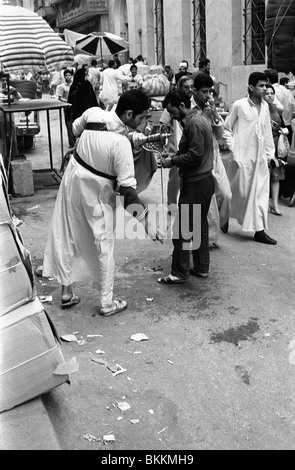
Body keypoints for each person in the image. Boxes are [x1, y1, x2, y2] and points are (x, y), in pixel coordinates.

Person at [43, 89, 164, 316]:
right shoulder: (121, 145)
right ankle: (107, 303)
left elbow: (75, 129)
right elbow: (128, 192)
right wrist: (146, 220)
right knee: (104, 244)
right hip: (98, 194)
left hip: (73, 181)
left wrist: (92, 147)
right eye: (142, 117)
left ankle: (67, 292)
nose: (145, 122)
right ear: (128, 115)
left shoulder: (92, 113)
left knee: (67, 233)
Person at [158, 89, 215, 284]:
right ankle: (201, 267)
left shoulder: (195, 123)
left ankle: (179, 272)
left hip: (197, 183)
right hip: (201, 182)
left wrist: (172, 161)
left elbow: (195, 155)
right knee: (199, 226)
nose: (172, 116)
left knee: (182, 229)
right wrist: (173, 158)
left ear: (182, 106)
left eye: (173, 111)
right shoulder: (194, 121)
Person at [223, 72, 277, 245]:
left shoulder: (266, 107)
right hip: (242, 159)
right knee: (240, 193)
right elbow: (226, 128)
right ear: (251, 87)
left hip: (260, 158)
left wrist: (271, 155)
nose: (264, 89)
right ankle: (224, 216)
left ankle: (259, 231)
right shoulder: (239, 105)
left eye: (265, 85)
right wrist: (234, 149)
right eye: (261, 86)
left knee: (260, 194)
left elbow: (267, 132)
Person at [264, 83, 287, 216]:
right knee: (266, 176)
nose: (270, 95)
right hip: (265, 147)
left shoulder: (276, 109)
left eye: (272, 93)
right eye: (267, 93)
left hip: (276, 144)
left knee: (276, 176)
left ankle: (275, 205)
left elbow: (280, 124)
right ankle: (266, 204)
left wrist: (282, 130)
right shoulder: (260, 108)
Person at [264, 68, 295, 145]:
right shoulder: (286, 90)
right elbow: (293, 106)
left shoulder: (269, 93)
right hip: (288, 127)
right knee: (284, 154)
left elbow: (280, 108)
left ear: (267, 80)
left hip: (277, 129)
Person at [56, 69, 75, 148]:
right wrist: (67, 101)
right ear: (64, 77)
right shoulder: (61, 86)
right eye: (66, 75)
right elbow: (60, 98)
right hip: (67, 107)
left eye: (69, 75)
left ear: (71, 76)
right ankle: (72, 143)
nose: (67, 77)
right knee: (69, 125)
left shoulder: (74, 85)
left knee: (76, 124)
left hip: (75, 106)